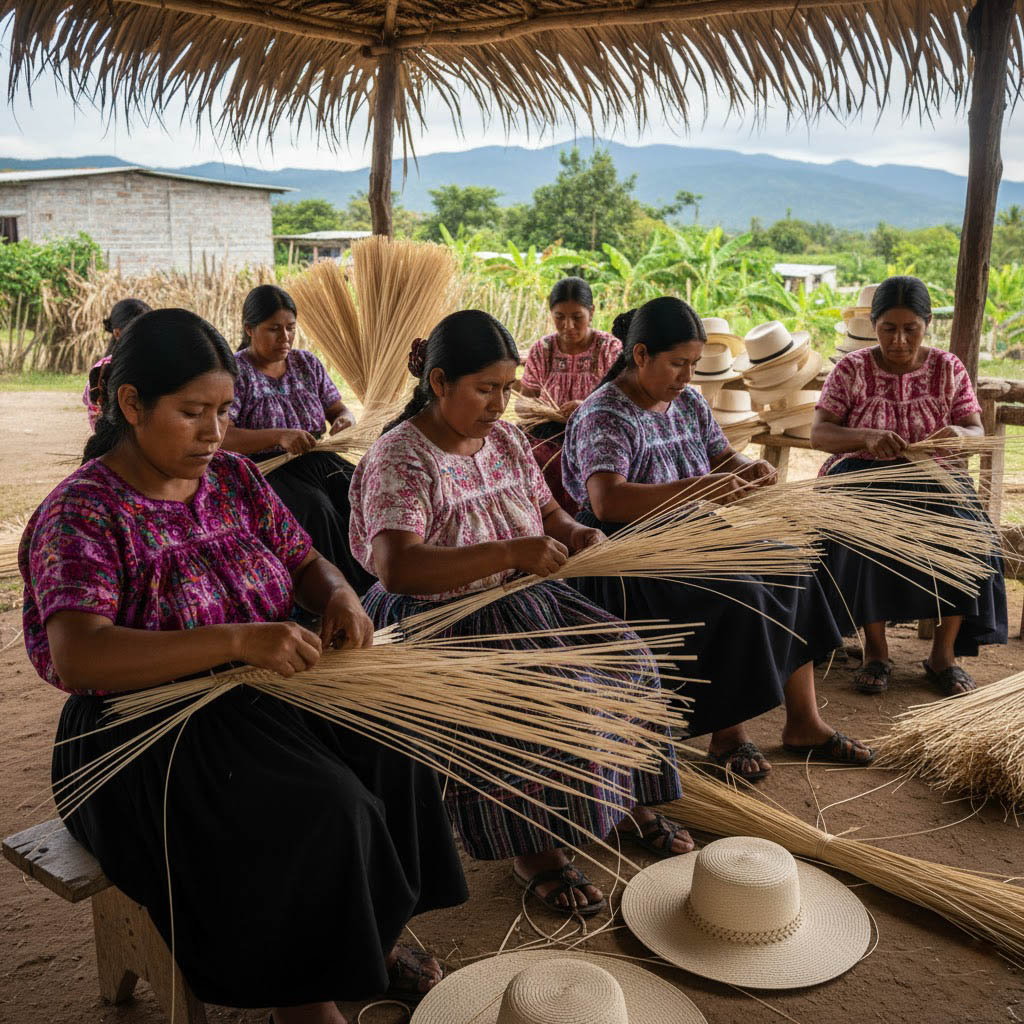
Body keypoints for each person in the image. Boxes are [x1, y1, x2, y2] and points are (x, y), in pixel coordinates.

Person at [22, 309, 465, 1024]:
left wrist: (342, 596)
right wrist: (238, 640)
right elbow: (81, 656)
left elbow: (306, 561)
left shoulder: (232, 478)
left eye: (225, 411)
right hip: (142, 732)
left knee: (396, 744)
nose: (214, 432)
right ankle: (306, 999)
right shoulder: (83, 512)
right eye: (192, 412)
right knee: (322, 809)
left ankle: (367, 940)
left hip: (258, 693)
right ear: (131, 405)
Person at [349, 309, 691, 919]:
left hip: (522, 598)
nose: (500, 404)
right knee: (555, 692)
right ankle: (534, 850)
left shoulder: (506, 440)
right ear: (438, 382)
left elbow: (548, 512)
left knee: (628, 658)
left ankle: (630, 797)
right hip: (440, 617)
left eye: (507, 388)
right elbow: (397, 566)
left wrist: (576, 533)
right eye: (485, 389)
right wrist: (510, 551)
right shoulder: (399, 457)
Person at [562, 297, 875, 782]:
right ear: (640, 355)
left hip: (696, 534)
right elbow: (608, 503)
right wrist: (700, 489)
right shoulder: (604, 414)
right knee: (739, 593)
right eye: (677, 364)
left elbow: (721, 457)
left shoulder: (686, 401)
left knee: (795, 566)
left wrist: (751, 470)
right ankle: (728, 734)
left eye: (693, 364)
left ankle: (804, 722)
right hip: (627, 554)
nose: (687, 376)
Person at [811, 275, 1007, 696]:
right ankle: (876, 652)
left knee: (972, 538)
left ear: (927, 325)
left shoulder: (947, 367)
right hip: (861, 475)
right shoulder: (853, 368)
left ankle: (943, 656)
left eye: (910, 329)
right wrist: (865, 437)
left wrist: (959, 435)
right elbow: (820, 434)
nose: (899, 340)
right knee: (861, 538)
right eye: (889, 329)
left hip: (932, 475)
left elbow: (975, 428)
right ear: (874, 325)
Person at [222, 284, 373, 595]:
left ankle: (376, 580)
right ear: (250, 329)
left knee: (357, 489)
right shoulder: (236, 373)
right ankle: (339, 594)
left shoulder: (307, 363)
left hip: (316, 456)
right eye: (273, 329)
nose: (285, 337)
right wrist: (279, 436)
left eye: (290, 328)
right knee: (315, 509)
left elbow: (338, 408)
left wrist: (345, 420)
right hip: (266, 469)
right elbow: (223, 436)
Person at [517, 277, 621, 515]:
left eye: (577, 317)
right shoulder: (542, 349)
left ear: (591, 312)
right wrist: (542, 410)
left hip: (595, 434)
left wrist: (585, 407)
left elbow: (620, 400)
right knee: (536, 460)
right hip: (548, 433)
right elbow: (523, 402)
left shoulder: (609, 348)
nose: (568, 326)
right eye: (559, 317)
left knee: (572, 465)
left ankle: (580, 524)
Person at [83, 297, 151, 428]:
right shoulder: (100, 373)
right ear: (117, 333)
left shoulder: (156, 363)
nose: (147, 336)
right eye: (139, 331)